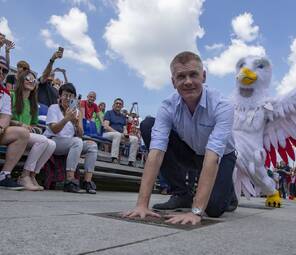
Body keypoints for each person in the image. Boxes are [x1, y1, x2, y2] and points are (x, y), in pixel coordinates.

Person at [122, 51, 237, 225]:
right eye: (181, 76)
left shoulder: (223, 105)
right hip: (190, 150)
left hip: (221, 157)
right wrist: (142, 205)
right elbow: (156, 152)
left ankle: (227, 190)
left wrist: (196, 212)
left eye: (193, 75)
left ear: (204, 76)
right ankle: (182, 193)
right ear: (173, 81)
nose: (188, 82)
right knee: (148, 125)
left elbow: (213, 156)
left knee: (213, 208)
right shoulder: (167, 106)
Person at [43, 83, 98, 194]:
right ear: (60, 96)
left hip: (69, 143)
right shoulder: (53, 108)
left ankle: (87, 181)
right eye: (65, 95)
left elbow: (80, 134)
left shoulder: (77, 112)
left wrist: (76, 123)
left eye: (71, 96)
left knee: (92, 145)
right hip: (53, 141)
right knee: (77, 142)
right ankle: (70, 180)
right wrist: (66, 119)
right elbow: (54, 130)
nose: (68, 98)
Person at [10, 71, 56, 191]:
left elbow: (34, 123)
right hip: (12, 131)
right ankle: (24, 176)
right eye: (28, 78)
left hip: (26, 134)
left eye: (34, 80)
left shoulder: (33, 103)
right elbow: (5, 118)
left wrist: (34, 128)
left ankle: (32, 175)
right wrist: (20, 124)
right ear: (21, 80)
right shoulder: (12, 95)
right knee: (43, 141)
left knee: (52, 144)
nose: (31, 81)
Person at [0, 56, 29, 190]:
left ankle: (4, 175)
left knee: (23, 133)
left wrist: (1, 127)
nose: (1, 72)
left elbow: (5, 117)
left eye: (4, 71)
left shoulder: (5, 94)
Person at [103, 98, 139, 166]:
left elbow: (124, 128)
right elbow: (106, 126)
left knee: (135, 139)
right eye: (117, 103)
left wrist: (125, 133)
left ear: (122, 106)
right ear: (114, 105)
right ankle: (114, 158)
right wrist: (118, 133)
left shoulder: (123, 117)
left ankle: (131, 161)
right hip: (107, 134)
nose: (118, 105)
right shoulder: (109, 113)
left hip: (119, 135)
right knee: (117, 135)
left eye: (120, 104)